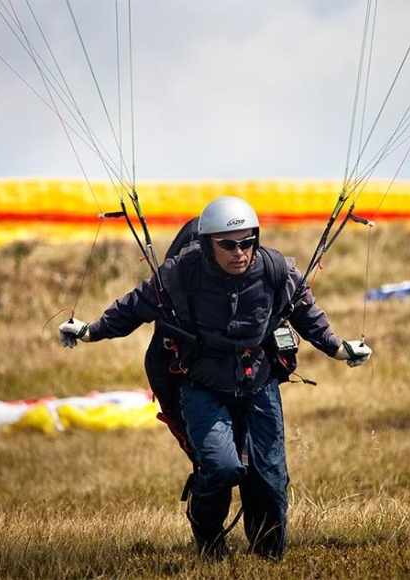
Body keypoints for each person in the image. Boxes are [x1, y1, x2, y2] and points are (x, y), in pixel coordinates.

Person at [58, 197, 371, 561]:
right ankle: (209, 539)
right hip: (203, 386)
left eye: (247, 242)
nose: (240, 252)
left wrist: (338, 348)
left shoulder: (274, 270)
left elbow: (305, 310)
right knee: (221, 468)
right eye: (228, 244)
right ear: (209, 244)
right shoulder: (181, 274)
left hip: (259, 384)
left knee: (268, 478)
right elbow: (135, 306)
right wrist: (91, 332)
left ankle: (268, 558)